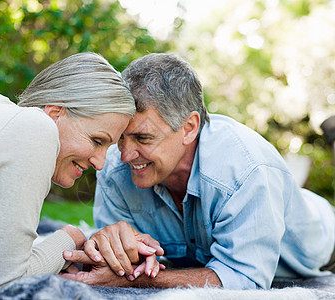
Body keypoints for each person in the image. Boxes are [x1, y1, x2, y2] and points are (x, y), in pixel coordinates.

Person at [62, 53, 335, 290]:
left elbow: (242, 279)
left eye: (143, 138)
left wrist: (136, 280)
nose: (124, 154)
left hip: (323, 241)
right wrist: (114, 250)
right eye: (122, 137)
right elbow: (118, 262)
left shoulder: (246, 170)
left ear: (189, 127)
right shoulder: (114, 168)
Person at [0, 52, 155, 291]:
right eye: (97, 140)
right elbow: (1, 283)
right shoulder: (36, 127)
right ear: (54, 114)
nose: (100, 163)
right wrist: (71, 239)